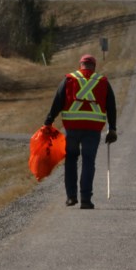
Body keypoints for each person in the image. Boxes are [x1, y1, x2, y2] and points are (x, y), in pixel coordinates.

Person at [44, 54, 118, 209]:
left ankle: (71, 197)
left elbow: (57, 101)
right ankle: (86, 199)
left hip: (72, 128)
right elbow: (111, 106)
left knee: (71, 160)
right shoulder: (102, 81)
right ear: (94, 66)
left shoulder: (69, 79)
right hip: (93, 129)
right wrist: (112, 129)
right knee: (88, 161)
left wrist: (49, 121)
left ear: (81, 65)